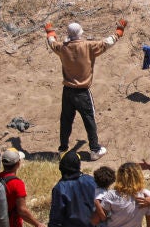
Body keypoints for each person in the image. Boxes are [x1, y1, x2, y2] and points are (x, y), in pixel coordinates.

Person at [45, 18, 126, 159]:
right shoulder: (88, 46)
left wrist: (50, 31)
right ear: (80, 33)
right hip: (82, 92)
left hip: (67, 91)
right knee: (89, 120)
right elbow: (107, 43)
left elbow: (51, 42)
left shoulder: (62, 48)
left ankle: (62, 149)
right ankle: (95, 150)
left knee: (66, 121)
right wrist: (119, 32)